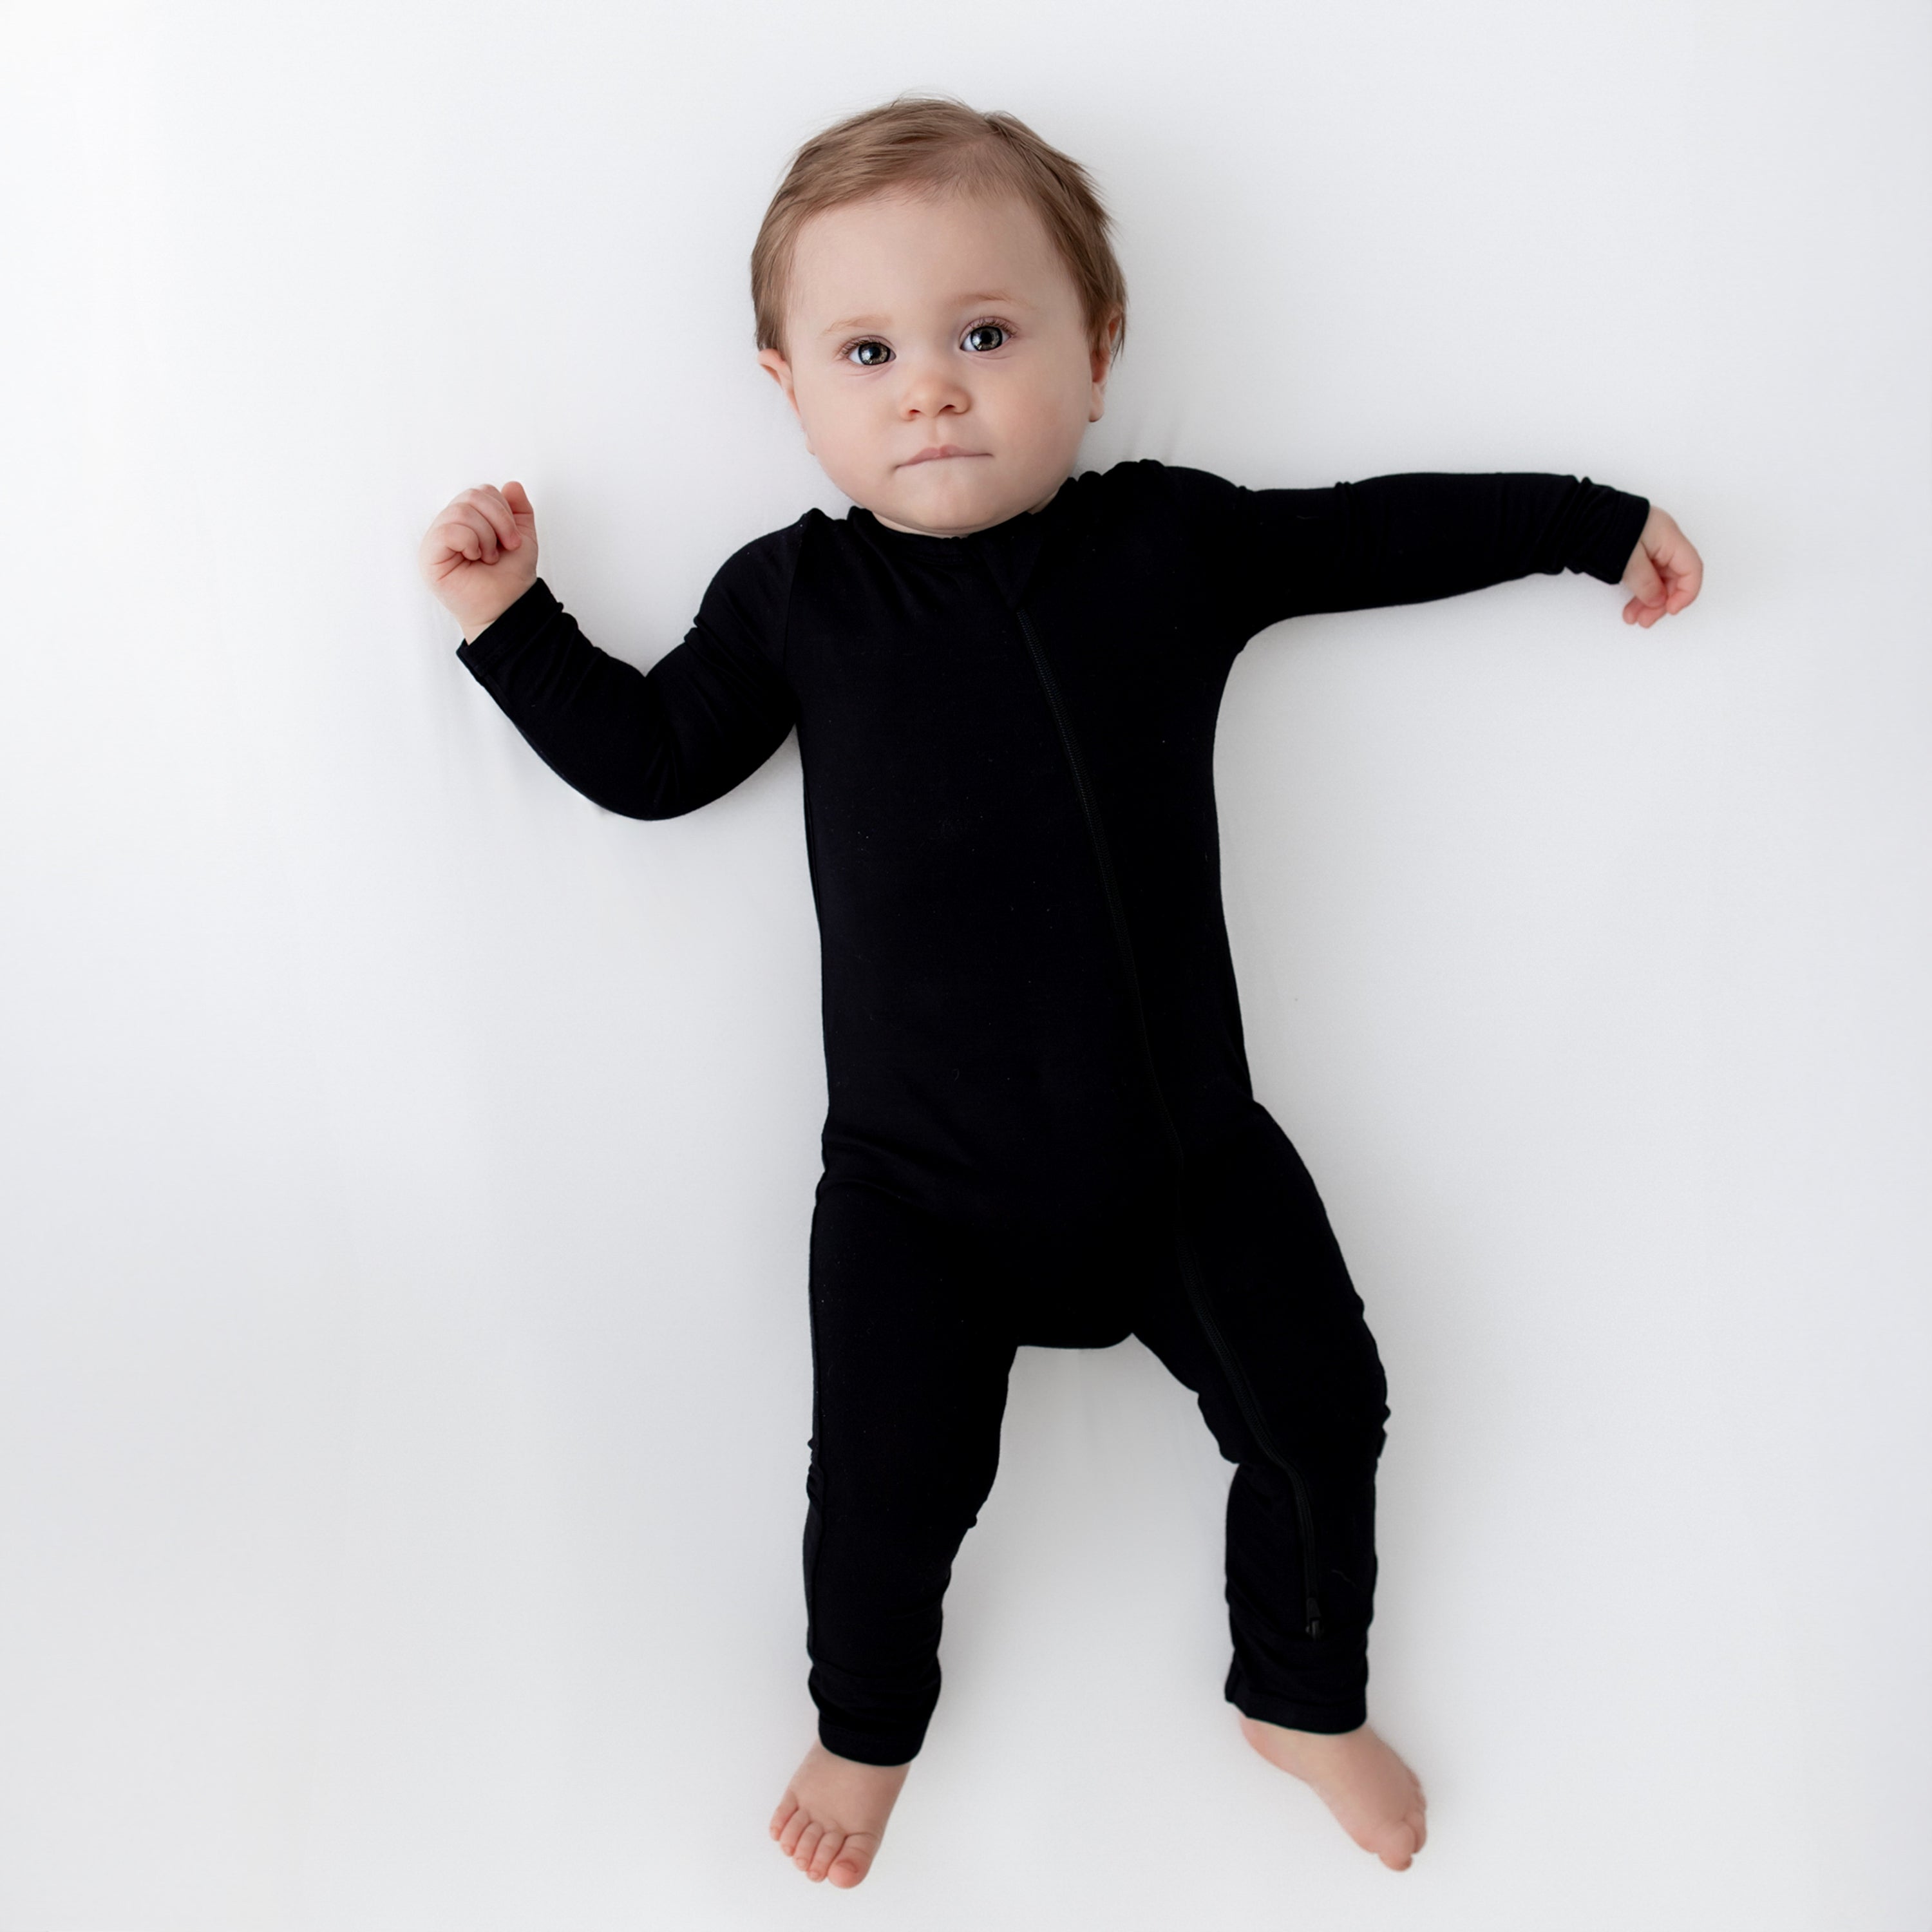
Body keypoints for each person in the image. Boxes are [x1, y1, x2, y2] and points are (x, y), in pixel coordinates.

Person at [416, 94, 1703, 1891]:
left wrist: (1587, 518)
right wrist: (513, 624)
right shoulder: (796, 600)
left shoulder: (1164, 546)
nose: (930, 388)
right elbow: (654, 759)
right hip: (916, 1197)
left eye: (985, 336)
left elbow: (1366, 535)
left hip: (1186, 1163)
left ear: (1097, 357)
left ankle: (1300, 1689)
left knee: (1326, 1410)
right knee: (879, 1497)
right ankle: (865, 1732)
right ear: (787, 383)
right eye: (869, 351)